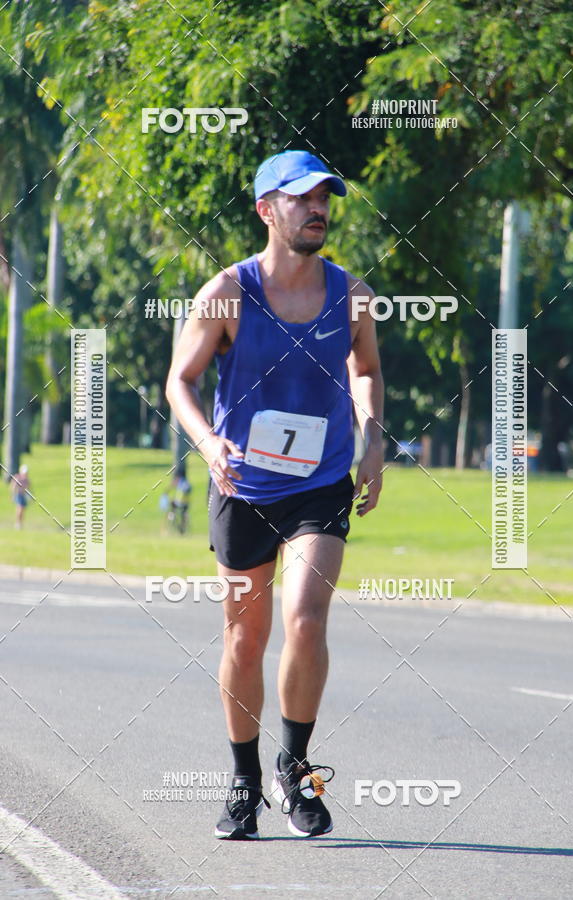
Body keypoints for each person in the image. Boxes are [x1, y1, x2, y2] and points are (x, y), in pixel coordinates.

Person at [166, 149, 384, 839]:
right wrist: (206, 442)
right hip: (244, 483)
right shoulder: (227, 293)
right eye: (302, 198)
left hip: (321, 483)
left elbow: (367, 368)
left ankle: (295, 770)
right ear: (267, 209)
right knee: (244, 635)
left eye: (324, 198)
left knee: (307, 619)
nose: (318, 209)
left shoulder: (351, 294)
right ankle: (244, 780)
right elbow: (181, 381)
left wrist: (372, 430)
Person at [11, 464, 31, 529]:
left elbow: (29, 488)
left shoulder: (27, 479)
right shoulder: (17, 477)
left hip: (24, 496)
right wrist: (13, 495)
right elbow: (13, 487)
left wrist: (29, 496)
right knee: (19, 508)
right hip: (18, 495)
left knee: (23, 510)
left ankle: (20, 523)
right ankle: (17, 522)